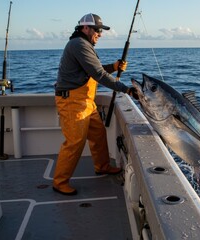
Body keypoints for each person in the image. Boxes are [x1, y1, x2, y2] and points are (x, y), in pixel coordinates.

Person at [53, 13, 138, 195]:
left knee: (98, 134)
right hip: (72, 102)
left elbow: (95, 69)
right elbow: (98, 75)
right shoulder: (79, 45)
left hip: (85, 102)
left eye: (101, 31)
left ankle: (102, 166)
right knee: (75, 142)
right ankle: (59, 182)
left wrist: (114, 67)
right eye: (97, 30)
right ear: (85, 28)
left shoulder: (84, 45)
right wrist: (127, 89)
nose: (100, 33)